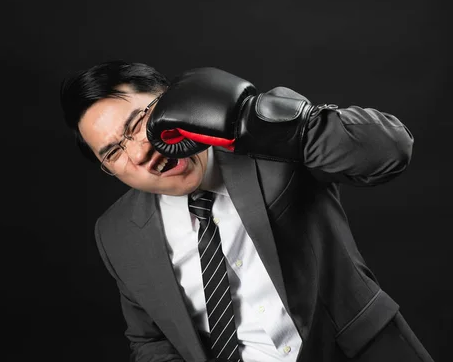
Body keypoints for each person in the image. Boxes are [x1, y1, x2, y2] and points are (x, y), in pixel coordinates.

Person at [59, 60, 434, 362]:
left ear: (173, 100)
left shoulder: (266, 141)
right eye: (113, 152)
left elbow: (390, 151)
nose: (140, 152)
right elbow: (151, 340)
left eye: (140, 122)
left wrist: (256, 121)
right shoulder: (116, 232)